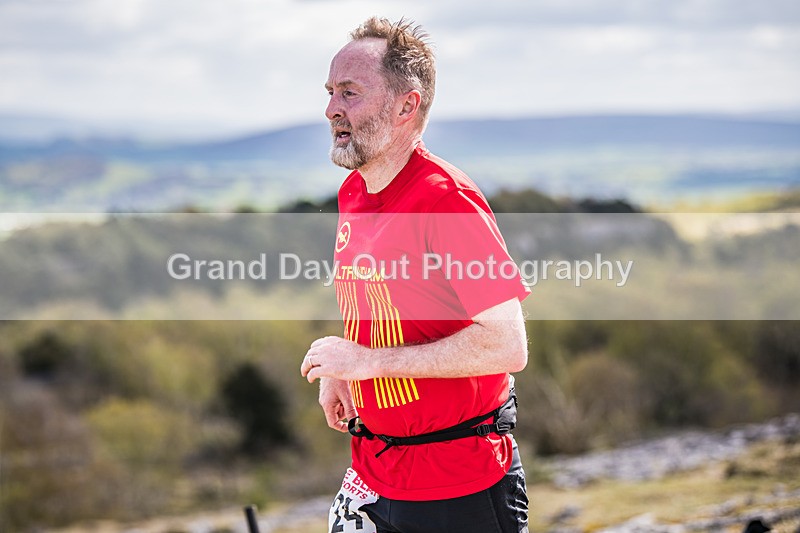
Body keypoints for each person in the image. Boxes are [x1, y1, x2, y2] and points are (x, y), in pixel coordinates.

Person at [300, 17, 531, 533]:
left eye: (351, 93)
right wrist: (346, 369)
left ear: (407, 106)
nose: (331, 108)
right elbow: (387, 310)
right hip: (371, 475)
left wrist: (366, 362)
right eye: (331, 92)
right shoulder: (354, 193)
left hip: (459, 486)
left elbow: (506, 346)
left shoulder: (446, 202)